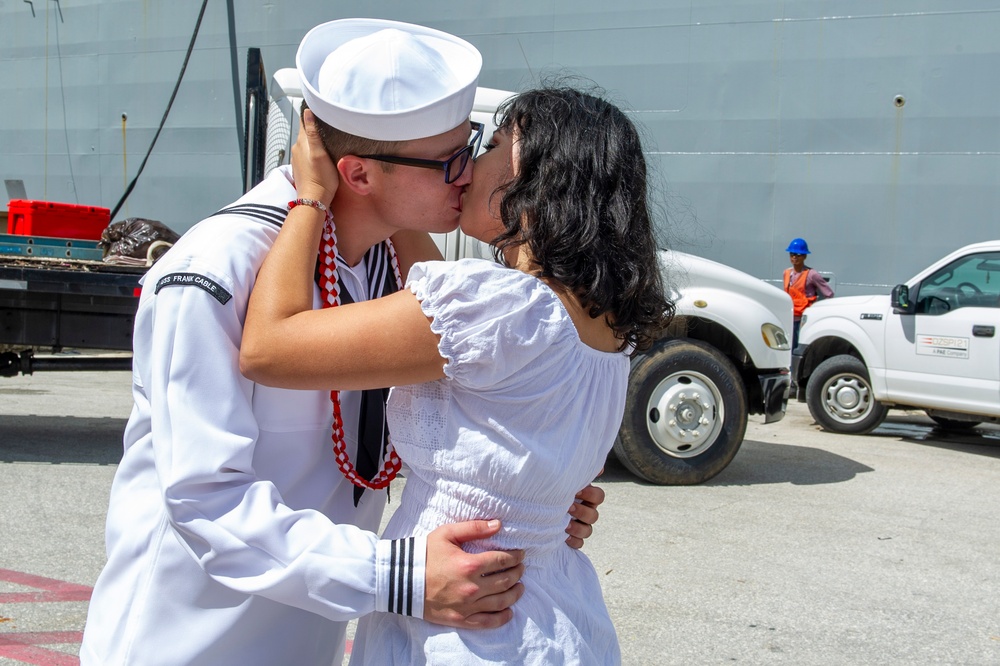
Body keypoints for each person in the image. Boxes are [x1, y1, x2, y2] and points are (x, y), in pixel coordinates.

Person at [80, 19, 604, 666]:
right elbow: (204, 500)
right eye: (449, 161)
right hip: (190, 639)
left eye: (470, 146)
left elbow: (457, 421)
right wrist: (401, 576)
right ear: (356, 174)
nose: (469, 175)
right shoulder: (219, 270)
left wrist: (534, 492)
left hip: (310, 634)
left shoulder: (392, 267)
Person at [240, 84, 673, 664]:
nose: (468, 163)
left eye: (493, 145)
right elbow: (442, 307)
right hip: (553, 610)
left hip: (465, 621)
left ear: (539, 183)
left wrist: (312, 200)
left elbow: (269, 348)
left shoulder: (504, 309)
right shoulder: (602, 321)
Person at [783, 237, 834, 349]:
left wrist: (819, 311)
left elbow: (829, 294)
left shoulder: (811, 274)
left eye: (798, 254)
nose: (794, 257)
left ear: (805, 256)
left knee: (799, 348)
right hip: (789, 317)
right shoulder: (786, 273)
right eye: (792, 254)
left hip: (803, 319)